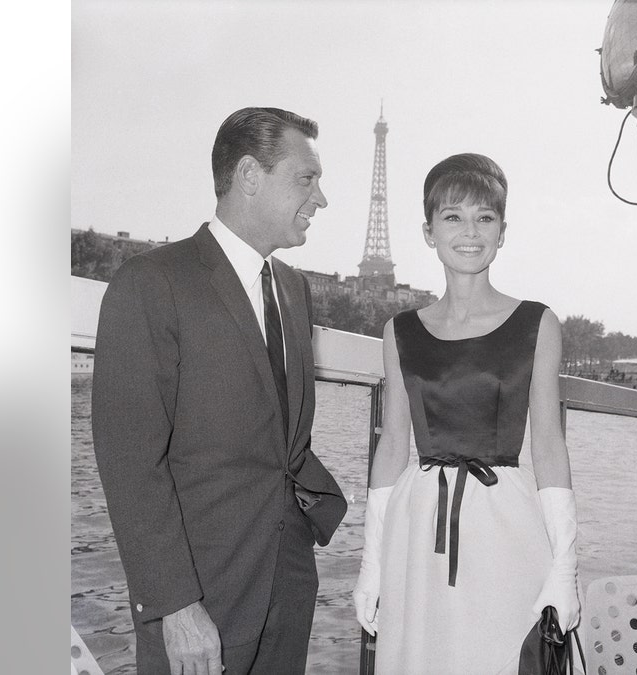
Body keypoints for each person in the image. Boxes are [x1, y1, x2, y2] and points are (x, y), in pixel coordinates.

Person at [93, 107, 347, 675]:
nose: (321, 199)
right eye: (307, 178)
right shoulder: (151, 284)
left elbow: (278, 439)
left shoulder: (294, 289)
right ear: (251, 176)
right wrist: (175, 606)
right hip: (199, 600)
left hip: (288, 586)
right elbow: (131, 463)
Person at [352, 153, 582, 674]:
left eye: (485, 217)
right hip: (418, 525)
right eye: (453, 216)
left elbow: (548, 445)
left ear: (503, 231)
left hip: (505, 523)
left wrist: (565, 565)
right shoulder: (400, 331)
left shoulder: (537, 323)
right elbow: (392, 445)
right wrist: (372, 562)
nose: (470, 231)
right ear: (429, 231)